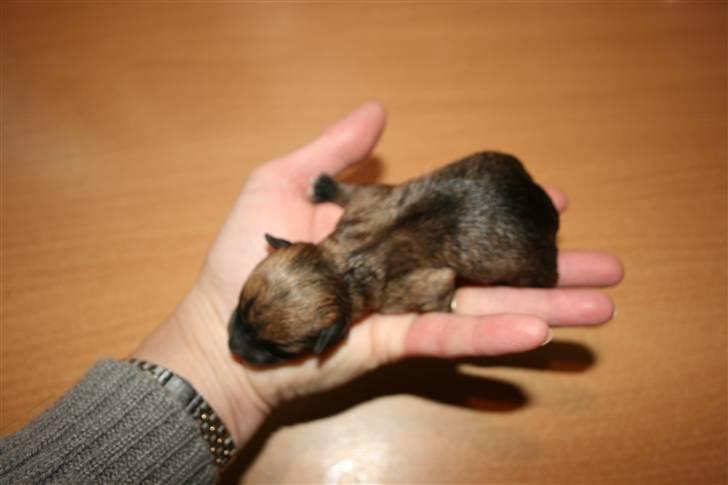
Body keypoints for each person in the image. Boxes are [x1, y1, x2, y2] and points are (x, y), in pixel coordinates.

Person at [0, 102, 623, 484]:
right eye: (250, 314)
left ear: (333, 333)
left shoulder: (384, 284)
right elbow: (377, 198)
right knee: (477, 184)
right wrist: (339, 194)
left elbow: (434, 279)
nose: (237, 341)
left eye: (266, 339)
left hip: (512, 229)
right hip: (492, 175)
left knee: (524, 258)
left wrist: (438, 302)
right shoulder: (350, 225)